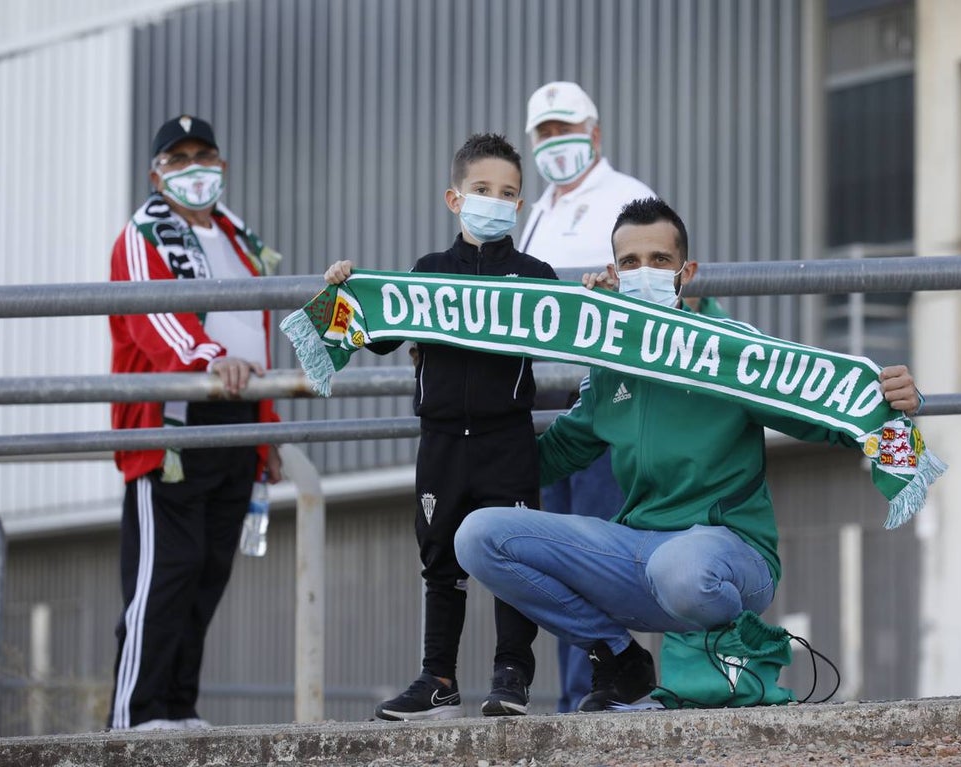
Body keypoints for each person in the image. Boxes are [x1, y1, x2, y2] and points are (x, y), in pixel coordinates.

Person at [454, 197, 924, 712]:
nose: (644, 273)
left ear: (687, 272)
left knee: (682, 568)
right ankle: (617, 655)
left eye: (659, 260)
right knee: (478, 536)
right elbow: (556, 453)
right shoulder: (612, 360)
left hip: (729, 558)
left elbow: (829, 419)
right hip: (638, 554)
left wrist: (892, 402)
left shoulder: (733, 352)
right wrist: (470, 440)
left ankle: (707, 680)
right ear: (613, 271)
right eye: (630, 263)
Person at [322, 133, 557, 721]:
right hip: (443, 443)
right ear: (455, 199)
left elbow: (583, 329)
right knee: (440, 562)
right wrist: (346, 288)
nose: (495, 201)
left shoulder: (536, 276)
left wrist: (597, 294)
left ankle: (511, 676)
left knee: (516, 557)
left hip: (509, 441)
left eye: (508, 193)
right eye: (482, 190)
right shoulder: (427, 274)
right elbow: (373, 336)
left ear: (521, 205)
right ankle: (438, 679)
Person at [108, 115, 283, 731]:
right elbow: (149, 318)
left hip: (237, 421)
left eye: (202, 154)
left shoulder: (239, 238)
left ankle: (178, 707)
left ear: (222, 165)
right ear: (156, 172)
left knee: (207, 573)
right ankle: (135, 714)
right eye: (176, 158)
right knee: (165, 574)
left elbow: (254, 335)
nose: (191, 167)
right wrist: (207, 362)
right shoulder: (143, 234)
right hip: (173, 423)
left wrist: (267, 425)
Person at [518, 80, 658, 713]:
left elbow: (652, 286)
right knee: (555, 557)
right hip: (544, 409)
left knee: (599, 549)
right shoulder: (538, 210)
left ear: (594, 131)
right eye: (544, 132)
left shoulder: (628, 197)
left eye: (565, 128)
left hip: (604, 401)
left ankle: (609, 690)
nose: (555, 142)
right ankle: (582, 693)